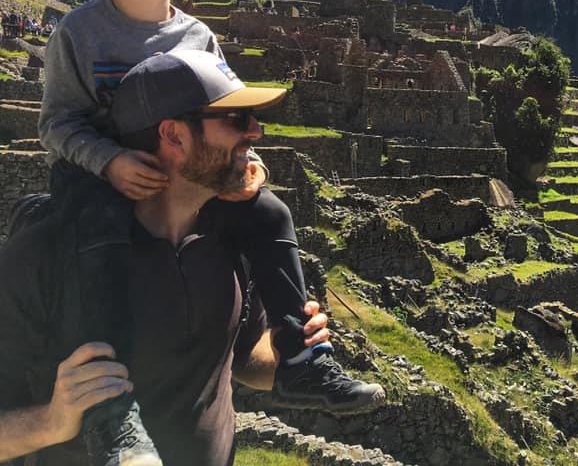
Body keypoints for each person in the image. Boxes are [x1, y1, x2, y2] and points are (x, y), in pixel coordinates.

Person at [36, 0, 384, 464]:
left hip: (183, 182)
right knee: (95, 239)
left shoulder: (198, 36)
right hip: (98, 178)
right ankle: (109, 410)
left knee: (269, 211)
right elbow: (57, 123)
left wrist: (249, 168)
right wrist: (110, 162)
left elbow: (227, 110)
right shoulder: (80, 33)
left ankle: (302, 356)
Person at [0, 50, 346, 465]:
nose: (255, 132)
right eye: (237, 119)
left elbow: (244, 359)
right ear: (174, 135)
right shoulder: (48, 254)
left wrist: (291, 354)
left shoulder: (229, 241)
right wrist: (52, 422)